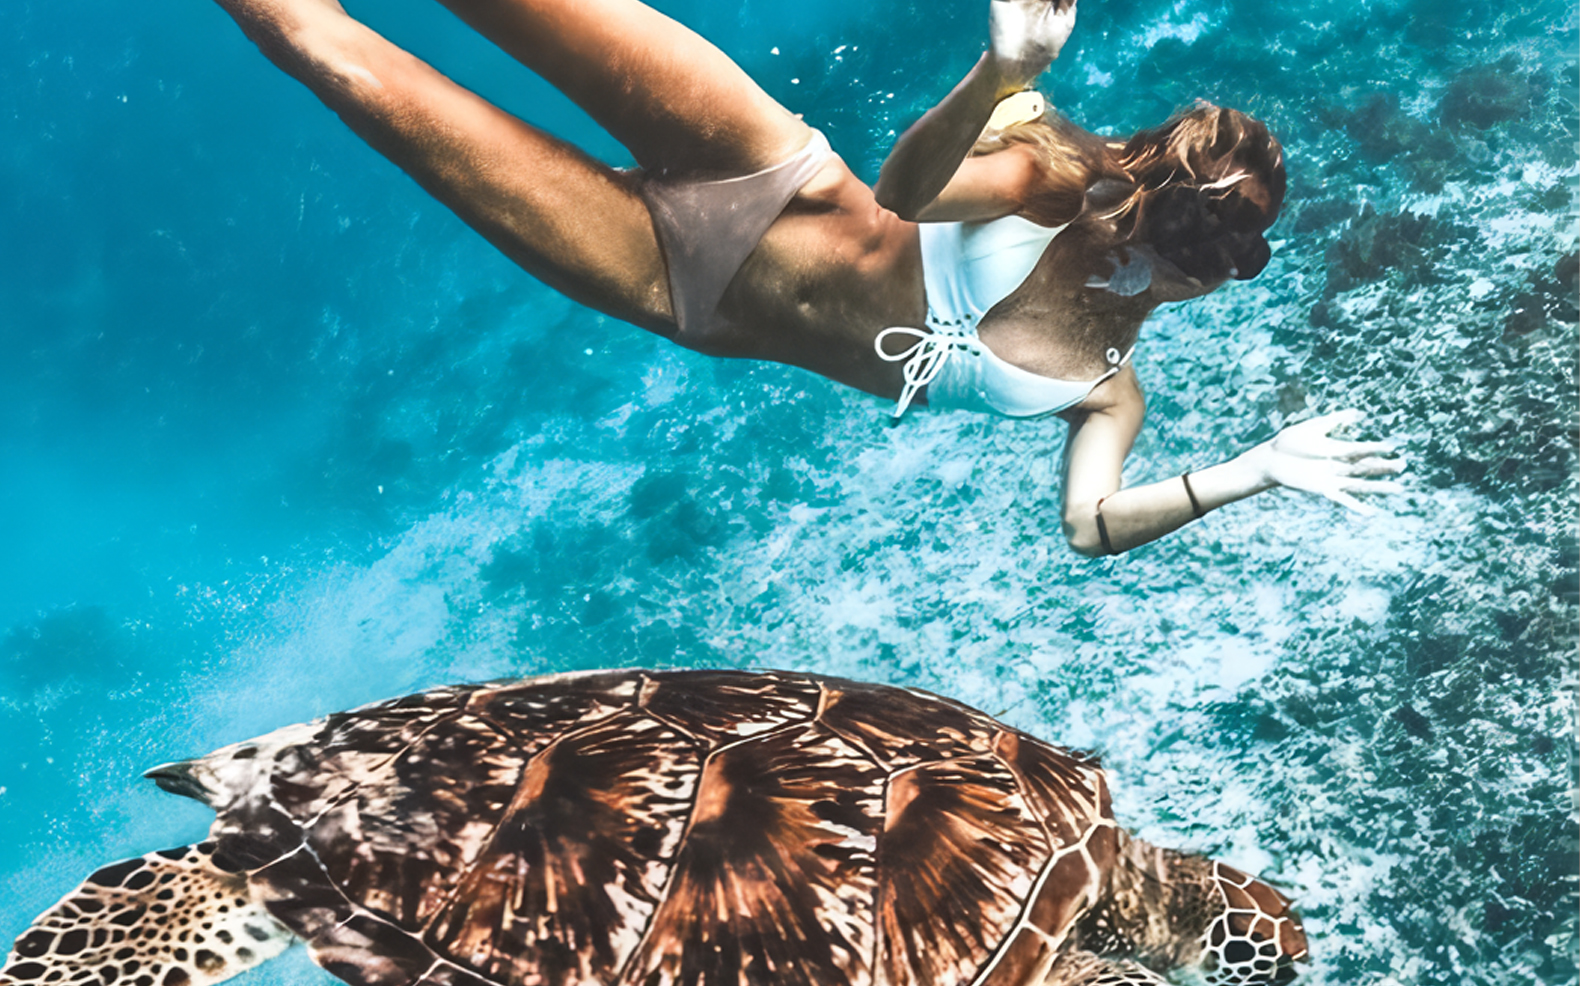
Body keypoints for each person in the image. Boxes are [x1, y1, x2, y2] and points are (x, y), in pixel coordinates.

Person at [206, 0, 1402, 555]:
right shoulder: (1054, 180)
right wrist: (996, 76)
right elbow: (906, 193)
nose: (1189, 271)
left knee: (324, 50)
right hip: (766, 162)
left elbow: (1089, 526)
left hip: (678, 291)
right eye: (1191, 234)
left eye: (1222, 257)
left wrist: (1249, 471)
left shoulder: (1106, 388)